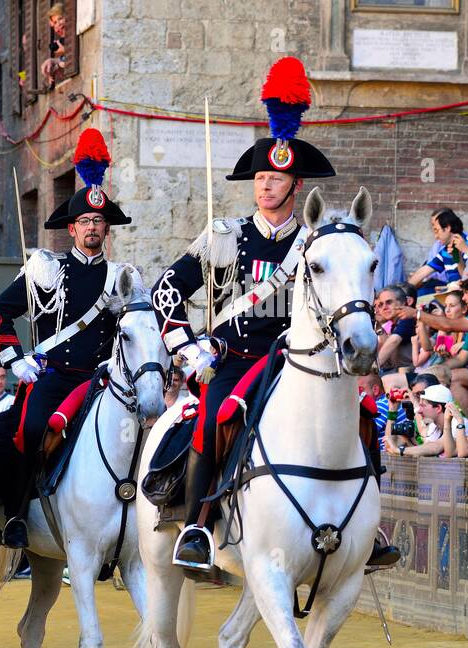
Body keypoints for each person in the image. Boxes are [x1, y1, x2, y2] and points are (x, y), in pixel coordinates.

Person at [151, 56, 397, 571]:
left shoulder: (317, 242)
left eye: (275, 179)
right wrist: (189, 349)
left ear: (295, 187)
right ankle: (197, 526)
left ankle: (368, 529)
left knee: (368, 417)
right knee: (211, 420)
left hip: (297, 358)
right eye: (260, 177)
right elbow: (166, 292)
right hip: (235, 358)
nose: (265, 186)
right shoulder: (224, 237)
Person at [0, 127, 138, 550]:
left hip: (101, 378)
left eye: (99, 221)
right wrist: (13, 357)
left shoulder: (122, 277)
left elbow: (140, 326)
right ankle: (18, 515)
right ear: (71, 229)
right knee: (31, 428)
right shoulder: (46, 269)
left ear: (107, 230)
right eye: (85, 222)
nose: (93, 227)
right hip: (53, 377)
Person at [407, 209, 468, 290]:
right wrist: (405, 291)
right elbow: (425, 270)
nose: (436, 236)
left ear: (447, 228)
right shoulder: (446, 249)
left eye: (437, 231)